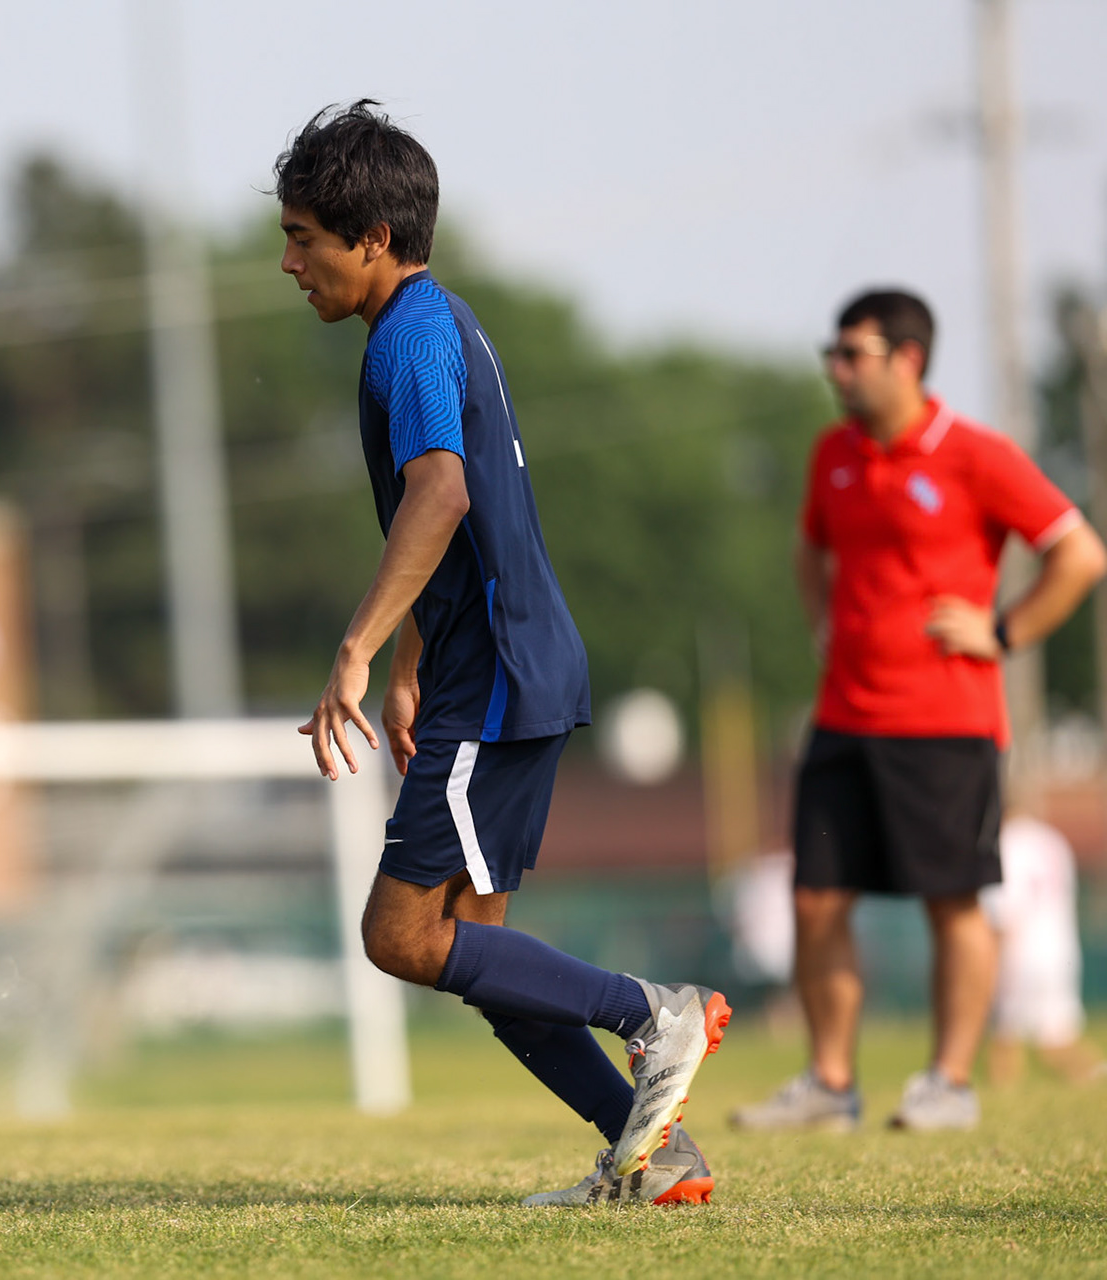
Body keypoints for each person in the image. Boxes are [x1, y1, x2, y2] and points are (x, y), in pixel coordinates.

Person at [278, 102, 731, 1207]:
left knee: (398, 932)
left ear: (373, 239)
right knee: (475, 952)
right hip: (500, 666)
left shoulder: (414, 334)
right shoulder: (433, 322)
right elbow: (451, 527)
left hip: (500, 680)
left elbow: (442, 489)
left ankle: (651, 1008)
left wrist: (355, 645)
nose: (290, 263)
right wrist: (405, 661)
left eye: (305, 238)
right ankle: (654, 1151)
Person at [733, 289, 1106, 1133]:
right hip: (841, 722)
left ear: (909, 358)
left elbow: (1080, 553)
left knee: (953, 902)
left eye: (853, 354)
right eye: (832, 353)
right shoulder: (834, 452)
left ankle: (949, 1084)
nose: (837, 370)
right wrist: (822, 621)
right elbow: (809, 546)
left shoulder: (975, 454)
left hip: (946, 725)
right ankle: (830, 1085)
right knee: (816, 899)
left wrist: (1003, 631)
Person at [983, 810, 1101, 1085]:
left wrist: (993, 961)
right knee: (1057, 1041)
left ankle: (1000, 1102)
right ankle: (1095, 1076)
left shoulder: (1008, 842)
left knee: (1005, 1037)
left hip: (1021, 953)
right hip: (1059, 951)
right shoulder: (1052, 840)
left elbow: (1007, 911)